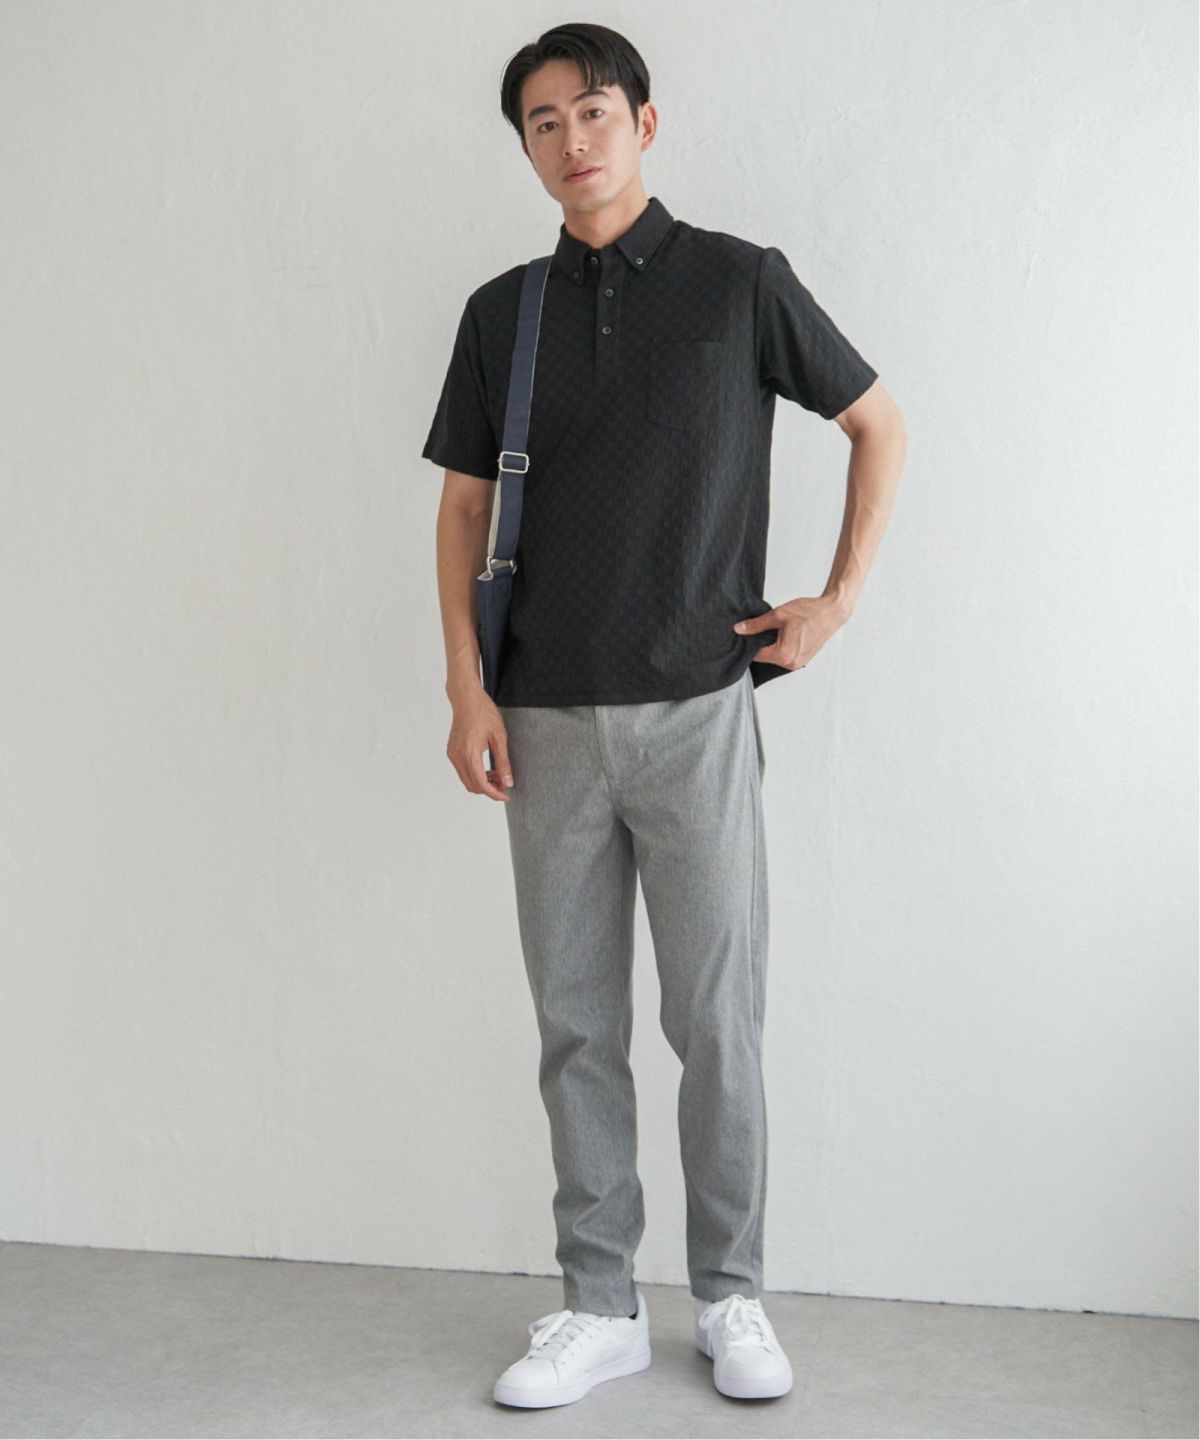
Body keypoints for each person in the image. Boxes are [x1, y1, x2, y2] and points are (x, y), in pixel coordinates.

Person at [421, 20, 907, 1411]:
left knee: (716, 1025)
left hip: (698, 708)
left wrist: (836, 602)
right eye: (542, 123)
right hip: (542, 718)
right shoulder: (503, 315)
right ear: (526, 149)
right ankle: (600, 1304)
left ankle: (732, 1293)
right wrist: (464, 685)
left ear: (643, 121)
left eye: (592, 112)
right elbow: (463, 506)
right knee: (577, 1026)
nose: (571, 142)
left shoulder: (742, 284)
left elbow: (878, 422)